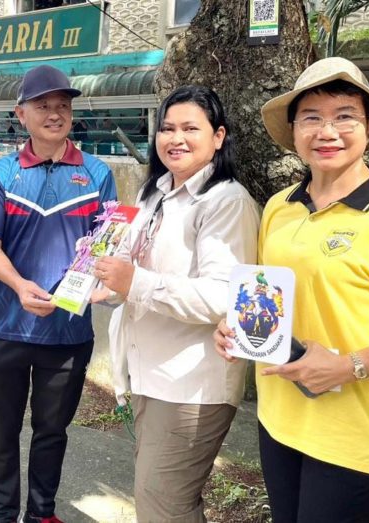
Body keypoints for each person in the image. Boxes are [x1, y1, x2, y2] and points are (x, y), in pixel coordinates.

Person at [214, 57, 369, 523]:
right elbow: (269, 294)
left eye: (344, 116)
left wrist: (350, 366)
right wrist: (238, 325)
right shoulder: (280, 208)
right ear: (294, 131)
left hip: (350, 431)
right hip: (278, 417)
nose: (327, 131)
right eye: (312, 118)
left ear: (367, 128)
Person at [93, 85, 259, 522]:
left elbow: (224, 296)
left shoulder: (226, 201)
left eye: (190, 128)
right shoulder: (155, 192)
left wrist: (135, 283)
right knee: (160, 501)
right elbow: (134, 265)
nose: (175, 138)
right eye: (167, 128)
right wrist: (108, 281)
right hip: (150, 372)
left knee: (164, 505)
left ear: (218, 137)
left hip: (191, 384)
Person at [0, 64, 117, 523]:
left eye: (62, 106)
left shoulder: (97, 173)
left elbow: (106, 245)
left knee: (52, 431)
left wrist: (97, 283)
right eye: (43, 106)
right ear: (22, 113)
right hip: (3, 326)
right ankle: (1, 514)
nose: (54, 114)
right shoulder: (1, 173)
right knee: (0, 432)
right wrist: (16, 286)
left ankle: (41, 513)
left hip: (67, 331)